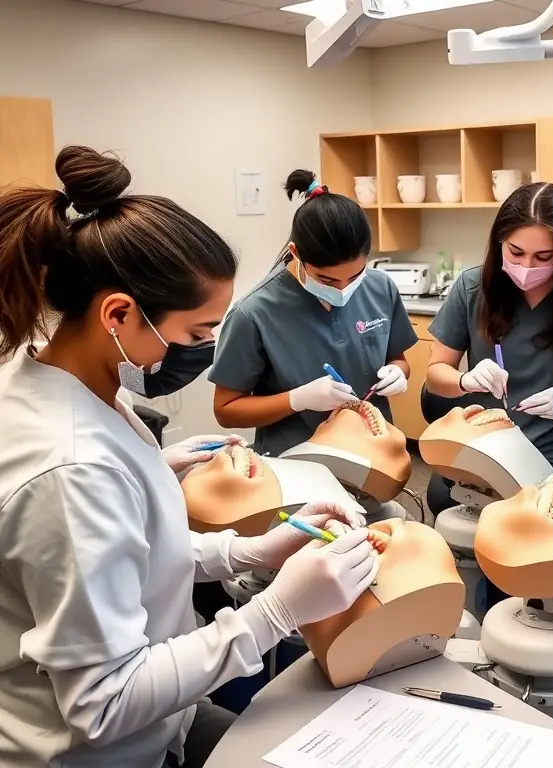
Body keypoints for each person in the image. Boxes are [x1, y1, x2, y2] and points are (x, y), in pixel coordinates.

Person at [0, 147, 380, 768]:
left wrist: (244, 551)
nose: (203, 349)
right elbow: (102, 702)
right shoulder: (73, 469)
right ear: (118, 313)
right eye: (197, 333)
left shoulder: (61, 372)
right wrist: (275, 610)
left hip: (161, 716)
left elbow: (128, 559)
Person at [425, 182, 553, 493]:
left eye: (544, 256)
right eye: (515, 252)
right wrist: (465, 381)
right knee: (444, 499)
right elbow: (436, 376)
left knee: (536, 522)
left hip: (552, 453)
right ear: (499, 242)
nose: (526, 267)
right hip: (480, 444)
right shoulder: (473, 288)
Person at [210, 169, 418, 458]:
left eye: (355, 275)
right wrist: (297, 399)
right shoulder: (254, 314)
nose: (345, 289)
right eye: (328, 280)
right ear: (295, 253)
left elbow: (398, 358)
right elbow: (227, 410)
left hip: (372, 455)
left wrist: (399, 372)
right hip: (297, 463)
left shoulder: (379, 287)